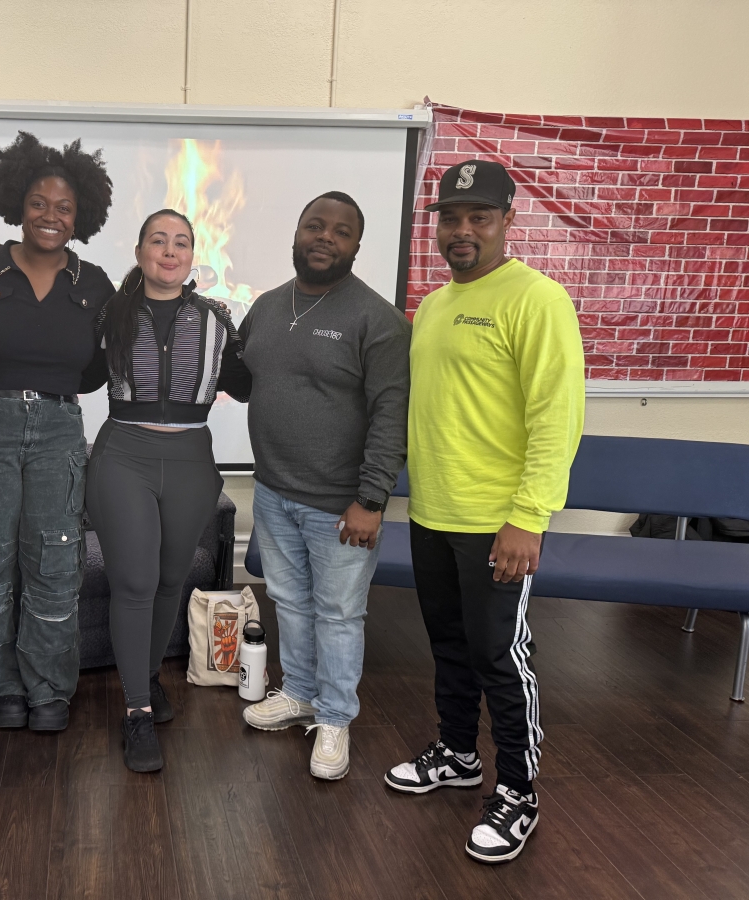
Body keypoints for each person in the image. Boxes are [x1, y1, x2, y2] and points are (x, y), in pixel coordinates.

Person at [383, 160, 584, 864]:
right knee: (449, 645)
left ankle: (519, 793)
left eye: (480, 217)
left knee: (502, 656)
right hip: (434, 515)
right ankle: (459, 753)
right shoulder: (434, 306)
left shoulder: (537, 299)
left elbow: (557, 419)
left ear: (506, 221)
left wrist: (528, 517)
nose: (462, 230)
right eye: (452, 217)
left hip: (497, 523)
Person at [238, 192, 411, 781]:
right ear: (296, 232)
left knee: (338, 614)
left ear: (356, 246)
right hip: (273, 491)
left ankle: (334, 718)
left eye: (340, 232)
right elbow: (246, 377)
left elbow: (392, 414)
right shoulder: (265, 306)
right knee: (289, 602)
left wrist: (370, 500)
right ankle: (302, 694)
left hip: (341, 505)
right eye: (315, 225)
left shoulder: (377, 319)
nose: (325, 237)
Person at [0, 132, 115, 732]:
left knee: (56, 559)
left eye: (65, 207)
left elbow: (100, 368)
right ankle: (0, 687)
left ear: (82, 215)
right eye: (40, 203)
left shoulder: (95, 284)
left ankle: (49, 688)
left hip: (58, 429)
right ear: (17, 203)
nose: (51, 215)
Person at [83, 209, 250, 772]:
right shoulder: (110, 314)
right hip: (123, 455)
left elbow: (247, 386)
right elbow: (78, 374)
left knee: (170, 581)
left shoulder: (215, 320)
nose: (170, 251)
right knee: (135, 580)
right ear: (140, 252)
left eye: (181, 242)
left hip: (190, 459)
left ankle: (148, 679)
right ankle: (135, 712)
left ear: (192, 255)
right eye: (159, 240)